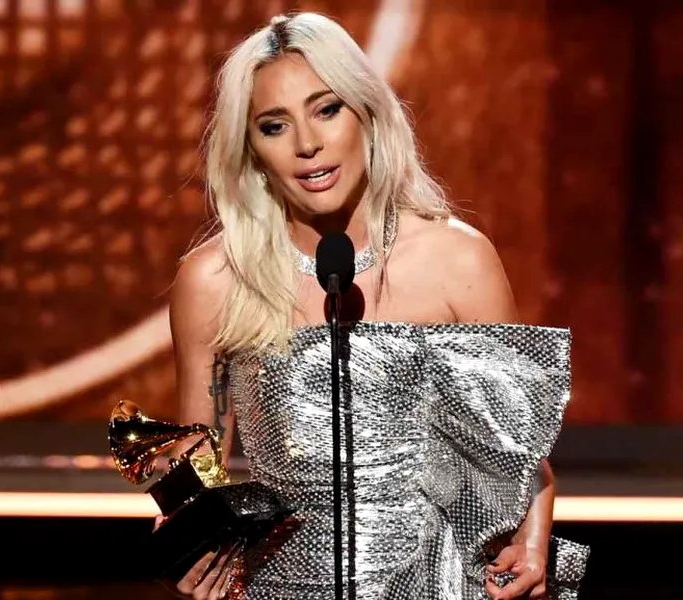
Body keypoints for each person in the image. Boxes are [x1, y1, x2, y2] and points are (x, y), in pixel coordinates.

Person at [166, 11, 588, 600]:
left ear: (366, 112)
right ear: (251, 147)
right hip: (285, 586)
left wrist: (534, 546)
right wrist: (189, 535)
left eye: (326, 110)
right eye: (274, 125)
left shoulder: (457, 261)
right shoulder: (214, 280)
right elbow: (196, 466)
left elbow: (517, 454)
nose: (307, 144)